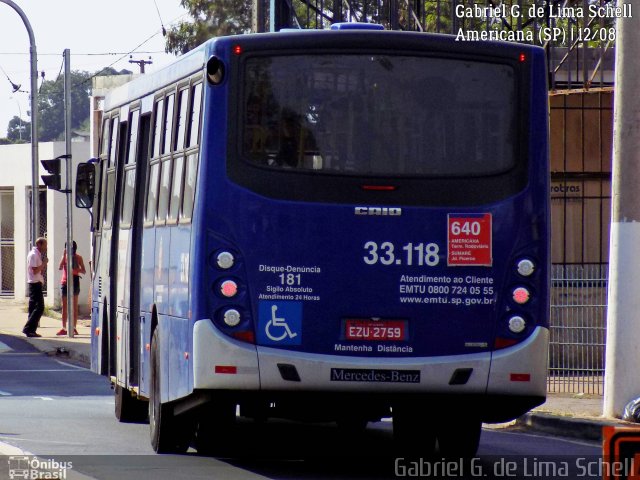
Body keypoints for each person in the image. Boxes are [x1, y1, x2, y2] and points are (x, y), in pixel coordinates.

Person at [57, 241, 86, 336]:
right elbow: (60, 267)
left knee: (74, 305)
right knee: (64, 306)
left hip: (75, 281)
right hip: (65, 282)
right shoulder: (64, 257)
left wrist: (76, 269)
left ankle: (74, 327)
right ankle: (64, 327)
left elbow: (84, 271)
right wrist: (63, 255)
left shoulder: (78, 257)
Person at [23, 237, 48, 338]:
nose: (46, 247)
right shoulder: (33, 255)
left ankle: (31, 330)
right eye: (45, 245)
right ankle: (28, 328)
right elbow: (34, 271)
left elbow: (39, 270)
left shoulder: (37, 255)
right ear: (39, 245)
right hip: (34, 284)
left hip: (36, 283)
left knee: (33, 307)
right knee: (40, 307)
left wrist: (43, 265)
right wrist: (44, 263)